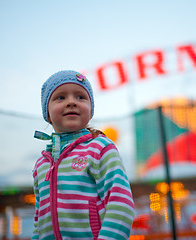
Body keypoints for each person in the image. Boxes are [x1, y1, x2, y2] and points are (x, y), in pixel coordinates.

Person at [32, 70, 135, 240]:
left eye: (80, 97)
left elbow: (120, 204)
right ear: (47, 113)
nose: (71, 102)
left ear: (91, 109)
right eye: (61, 97)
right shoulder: (41, 165)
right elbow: (39, 220)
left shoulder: (100, 148)